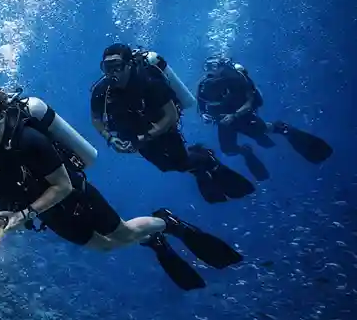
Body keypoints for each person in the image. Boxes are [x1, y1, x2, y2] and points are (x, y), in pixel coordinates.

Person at [0, 85, 243, 292]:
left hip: (75, 196)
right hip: (47, 213)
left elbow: (63, 185)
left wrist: (25, 214)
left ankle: (166, 222)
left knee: (124, 233)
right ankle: (153, 239)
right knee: (105, 247)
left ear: (1, 114)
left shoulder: (30, 140)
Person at [90, 43, 255, 204]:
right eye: (106, 67)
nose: (111, 73)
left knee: (181, 162)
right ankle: (199, 167)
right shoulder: (102, 90)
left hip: (163, 129)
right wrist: (110, 139)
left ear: (129, 65)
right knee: (165, 166)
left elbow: (171, 115)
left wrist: (147, 136)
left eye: (117, 66)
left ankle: (206, 160)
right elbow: (96, 118)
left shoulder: (149, 82)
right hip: (136, 135)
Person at [196, 55, 333, 180]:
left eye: (213, 66)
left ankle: (281, 128)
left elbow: (249, 102)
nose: (210, 71)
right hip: (224, 121)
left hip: (242, 115)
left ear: (222, 67)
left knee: (262, 132)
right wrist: (204, 115)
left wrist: (234, 115)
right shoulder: (203, 85)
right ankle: (247, 152)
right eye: (207, 67)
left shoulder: (237, 78)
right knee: (228, 150)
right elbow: (200, 104)